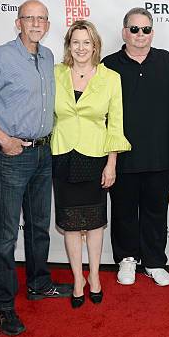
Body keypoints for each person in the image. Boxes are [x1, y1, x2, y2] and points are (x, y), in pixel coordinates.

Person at [0, 0, 71, 336]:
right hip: (11, 156)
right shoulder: (0, 57)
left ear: (48, 24)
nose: (36, 23)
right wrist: (3, 139)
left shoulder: (49, 56)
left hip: (42, 154)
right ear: (18, 22)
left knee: (39, 226)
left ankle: (39, 283)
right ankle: (4, 306)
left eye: (42, 18)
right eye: (29, 18)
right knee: (6, 233)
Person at [51, 20, 131, 308]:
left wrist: (111, 164)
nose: (81, 48)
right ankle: (77, 279)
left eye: (87, 42)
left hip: (95, 157)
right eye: (76, 42)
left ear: (95, 46)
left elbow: (116, 125)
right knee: (71, 225)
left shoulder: (111, 78)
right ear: (68, 46)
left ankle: (95, 276)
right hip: (62, 155)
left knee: (95, 224)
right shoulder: (55, 73)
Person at [103, 8, 169, 287]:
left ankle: (154, 262)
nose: (140, 35)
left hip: (159, 156)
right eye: (134, 29)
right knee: (123, 211)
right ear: (124, 32)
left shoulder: (168, 62)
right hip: (121, 157)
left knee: (156, 212)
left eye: (145, 29)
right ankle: (126, 259)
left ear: (152, 32)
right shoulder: (108, 65)